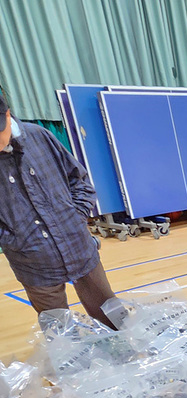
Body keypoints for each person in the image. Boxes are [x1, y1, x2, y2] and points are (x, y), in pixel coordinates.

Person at [0, 94, 117, 327]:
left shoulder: (39, 136)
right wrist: (14, 239)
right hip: (32, 262)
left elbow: (79, 181)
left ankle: (127, 358)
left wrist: (76, 216)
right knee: (60, 335)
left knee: (113, 317)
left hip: (79, 247)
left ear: (7, 115)